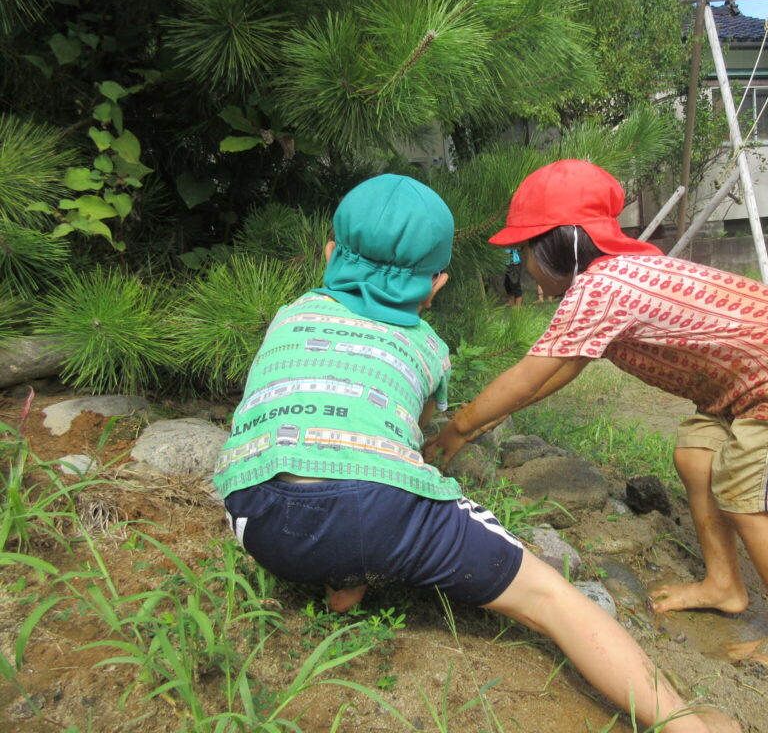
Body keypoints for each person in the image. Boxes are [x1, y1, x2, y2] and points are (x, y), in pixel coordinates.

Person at [213, 174, 739, 733]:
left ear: (328, 254)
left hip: (256, 512)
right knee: (551, 599)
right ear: (436, 284)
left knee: (328, 495)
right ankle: (683, 723)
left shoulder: (289, 315)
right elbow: (411, 439)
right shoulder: (427, 346)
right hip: (382, 506)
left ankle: (344, 582)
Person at [429, 160, 768, 672]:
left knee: (746, 502)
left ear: (558, 244)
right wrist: (486, 422)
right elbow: (560, 370)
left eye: (524, 250)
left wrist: (458, 429)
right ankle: (724, 584)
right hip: (748, 380)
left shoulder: (602, 286)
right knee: (697, 456)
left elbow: (528, 375)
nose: (523, 264)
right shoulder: (612, 278)